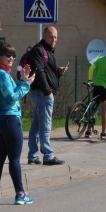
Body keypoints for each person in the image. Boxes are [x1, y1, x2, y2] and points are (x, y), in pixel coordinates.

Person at [0, 43, 34, 204]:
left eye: (13, 55)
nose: (11, 58)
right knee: (14, 158)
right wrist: (26, 84)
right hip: (9, 119)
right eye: (7, 55)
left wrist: (23, 81)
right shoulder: (2, 75)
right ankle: (20, 194)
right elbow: (11, 97)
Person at [26, 25, 67, 166]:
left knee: (36, 125)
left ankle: (32, 155)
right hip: (42, 93)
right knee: (45, 125)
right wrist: (48, 91)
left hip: (40, 93)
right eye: (51, 36)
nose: (53, 39)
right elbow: (40, 72)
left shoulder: (48, 51)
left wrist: (58, 71)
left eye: (55, 37)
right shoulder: (39, 50)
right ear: (44, 36)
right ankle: (48, 155)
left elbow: (48, 70)